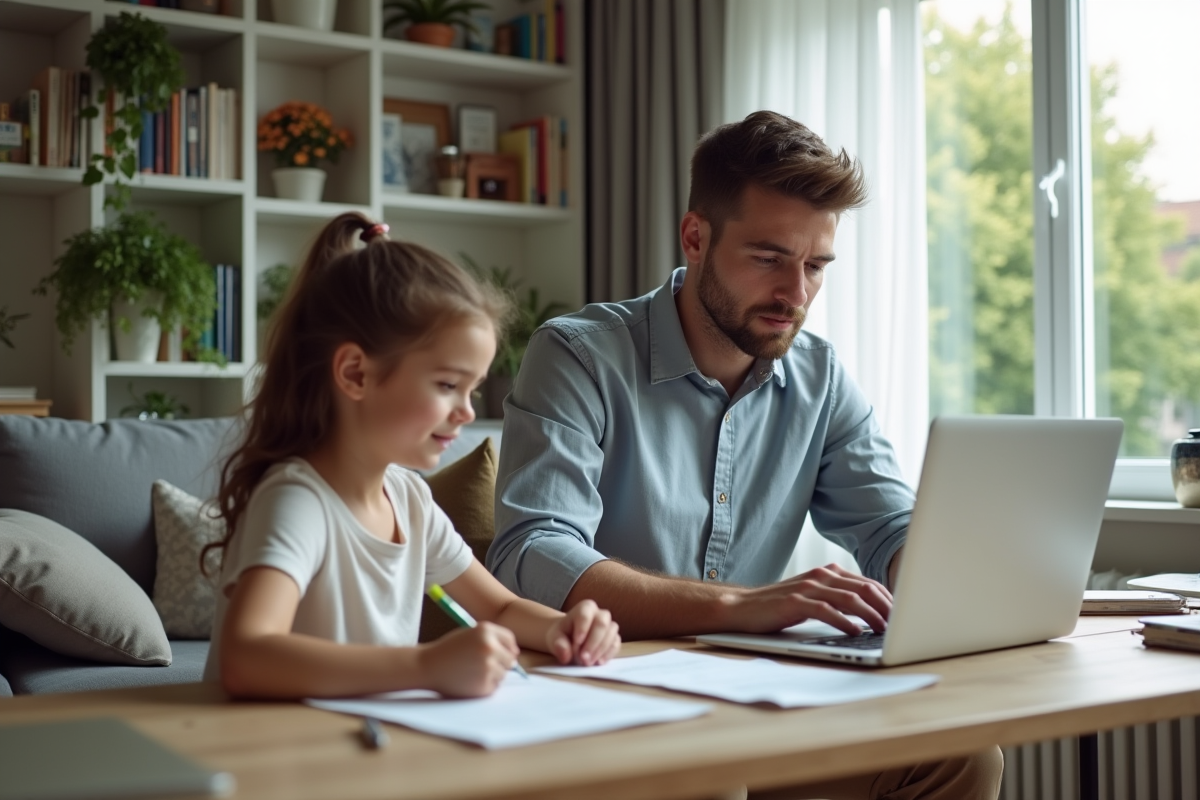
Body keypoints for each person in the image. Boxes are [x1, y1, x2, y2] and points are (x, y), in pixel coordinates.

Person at [489, 112, 1002, 798]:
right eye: (768, 259)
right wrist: (739, 605)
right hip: (608, 693)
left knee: (963, 756)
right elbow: (534, 553)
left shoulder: (820, 377)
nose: (796, 294)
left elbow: (889, 525)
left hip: (752, 694)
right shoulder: (579, 355)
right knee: (719, 777)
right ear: (695, 237)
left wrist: (944, 583)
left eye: (815, 266)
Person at [202, 212, 621, 700]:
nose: (467, 412)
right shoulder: (298, 501)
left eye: (472, 390)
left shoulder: (408, 499)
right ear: (355, 374)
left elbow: (501, 608)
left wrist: (563, 628)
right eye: (446, 385)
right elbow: (247, 657)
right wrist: (427, 664)